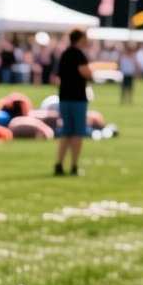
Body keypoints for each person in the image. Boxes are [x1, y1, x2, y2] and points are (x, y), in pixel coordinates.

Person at [53, 28, 93, 177]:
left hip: (64, 97)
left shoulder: (64, 54)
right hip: (77, 98)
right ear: (79, 39)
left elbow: (58, 77)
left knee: (66, 131)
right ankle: (74, 165)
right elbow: (86, 72)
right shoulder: (78, 55)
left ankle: (59, 163)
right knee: (77, 132)